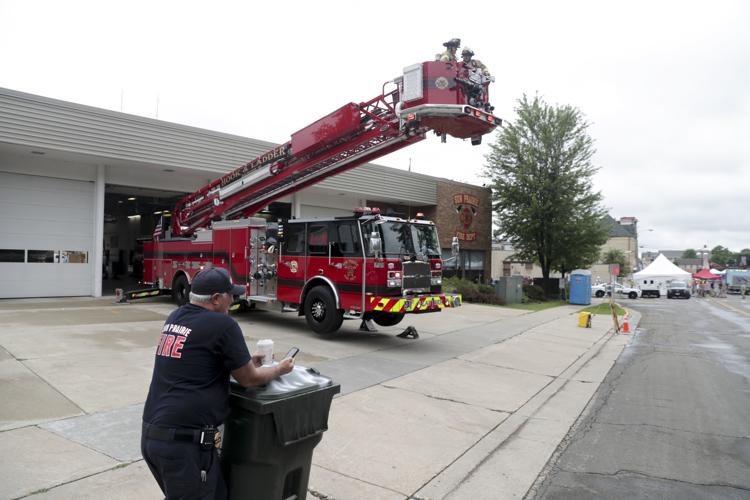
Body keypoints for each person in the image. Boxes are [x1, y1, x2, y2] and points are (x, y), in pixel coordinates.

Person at [141, 267, 294, 499]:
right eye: (230, 295)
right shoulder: (223, 324)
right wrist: (279, 369)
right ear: (216, 298)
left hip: (154, 437)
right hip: (185, 445)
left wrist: (242, 361)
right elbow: (249, 379)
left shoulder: (176, 317)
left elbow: (195, 362)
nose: (233, 300)